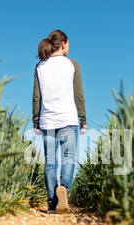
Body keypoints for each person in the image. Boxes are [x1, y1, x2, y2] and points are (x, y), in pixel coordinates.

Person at [32, 29, 87, 214]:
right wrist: (83, 119)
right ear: (63, 44)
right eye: (68, 44)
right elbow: (78, 93)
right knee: (68, 158)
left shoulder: (40, 66)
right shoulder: (72, 65)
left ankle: (51, 203)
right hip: (68, 118)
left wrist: (36, 120)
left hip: (47, 121)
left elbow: (36, 97)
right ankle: (64, 188)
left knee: (50, 161)